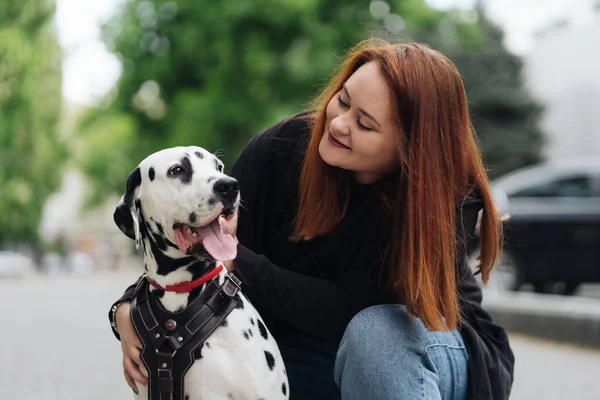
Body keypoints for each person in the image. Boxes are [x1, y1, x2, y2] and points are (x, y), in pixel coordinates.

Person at [109, 39, 514, 400]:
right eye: (343, 99)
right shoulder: (280, 150)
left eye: (365, 123)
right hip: (309, 352)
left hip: (419, 350)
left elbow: (346, 309)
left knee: (374, 337)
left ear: (409, 151)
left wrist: (239, 262)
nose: (338, 123)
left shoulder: (439, 198)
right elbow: (201, 242)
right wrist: (130, 305)